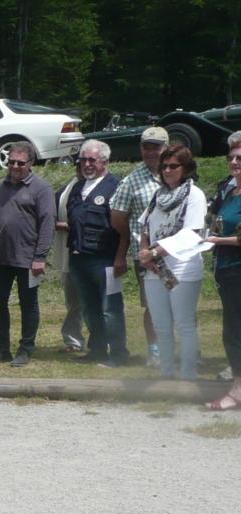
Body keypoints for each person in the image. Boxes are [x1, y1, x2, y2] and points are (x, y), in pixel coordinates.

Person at [0, 142, 55, 368]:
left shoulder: (42, 188)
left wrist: (40, 257)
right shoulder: (1, 186)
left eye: (20, 163)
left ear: (30, 163)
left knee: (28, 304)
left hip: (28, 260)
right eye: (11, 161)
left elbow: (47, 223)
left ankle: (25, 349)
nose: (14, 166)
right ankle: (1, 348)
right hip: (2, 257)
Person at [138, 145, 206, 380]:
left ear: (185, 168)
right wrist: (144, 251)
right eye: (164, 166)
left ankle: (189, 374)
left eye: (173, 166)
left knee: (184, 323)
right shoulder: (159, 195)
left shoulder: (194, 194)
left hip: (183, 267)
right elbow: (144, 226)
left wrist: (155, 252)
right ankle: (166, 373)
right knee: (161, 325)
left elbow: (192, 232)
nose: (167, 170)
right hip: (156, 269)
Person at [59, 140, 128, 367]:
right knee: (89, 308)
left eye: (92, 160)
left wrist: (120, 257)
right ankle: (97, 350)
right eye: (83, 160)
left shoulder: (116, 186)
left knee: (111, 309)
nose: (87, 164)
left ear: (105, 161)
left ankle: (118, 353)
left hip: (105, 259)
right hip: (79, 258)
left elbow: (123, 228)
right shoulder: (77, 188)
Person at [111, 127, 168, 366]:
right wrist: (133, 240)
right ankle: (155, 352)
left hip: (176, 255)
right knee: (154, 305)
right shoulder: (131, 180)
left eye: (156, 146)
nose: (151, 151)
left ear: (166, 147)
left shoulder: (179, 173)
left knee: (179, 301)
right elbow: (117, 217)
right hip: (147, 258)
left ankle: (185, 350)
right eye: (146, 146)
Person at [205, 132, 241, 408]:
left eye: (240, 158)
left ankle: (237, 391)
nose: (234, 162)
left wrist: (217, 240)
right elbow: (216, 224)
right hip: (226, 270)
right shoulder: (229, 192)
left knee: (236, 332)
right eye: (231, 157)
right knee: (231, 330)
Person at [53, 164, 86, 354]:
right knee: (73, 301)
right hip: (69, 253)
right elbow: (50, 217)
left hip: (97, 253)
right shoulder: (65, 190)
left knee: (101, 301)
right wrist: (62, 224)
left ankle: (104, 341)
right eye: (80, 163)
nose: (83, 167)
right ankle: (73, 339)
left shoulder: (108, 187)